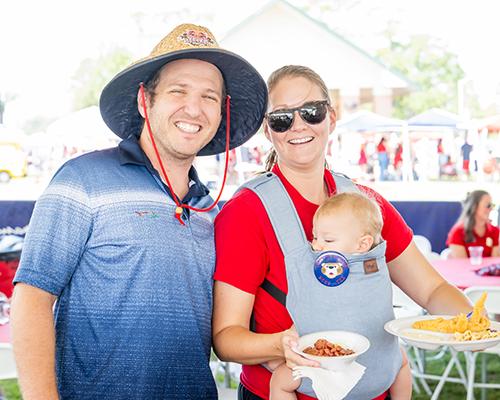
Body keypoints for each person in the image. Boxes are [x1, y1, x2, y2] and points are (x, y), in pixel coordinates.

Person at [10, 23, 267, 399]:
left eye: (209, 97)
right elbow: (32, 297)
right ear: (145, 101)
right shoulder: (81, 179)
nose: (194, 109)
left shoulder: (210, 209)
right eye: (178, 91)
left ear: (221, 112)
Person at [212, 65, 472, 400]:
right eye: (282, 118)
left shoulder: (367, 204)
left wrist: (472, 325)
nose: (299, 125)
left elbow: (433, 289)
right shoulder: (246, 213)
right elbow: (226, 338)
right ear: (268, 130)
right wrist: (280, 345)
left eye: (311, 111)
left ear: (331, 118)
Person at [269, 192, 412, 400]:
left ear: (363, 244)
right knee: (403, 360)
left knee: (279, 382)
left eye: (327, 239)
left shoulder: (326, 268)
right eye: (315, 237)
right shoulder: (375, 266)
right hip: (382, 370)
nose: (317, 246)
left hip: (325, 370)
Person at [447, 190, 500, 258]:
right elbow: (461, 264)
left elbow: (494, 262)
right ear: (474, 207)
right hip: (467, 268)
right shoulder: (457, 232)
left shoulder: (494, 231)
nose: (491, 209)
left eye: (492, 205)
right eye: (488, 205)